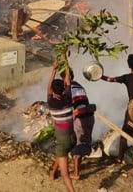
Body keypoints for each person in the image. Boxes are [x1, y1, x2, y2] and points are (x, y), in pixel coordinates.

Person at [60, 67, 95, 179]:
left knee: (77, 145)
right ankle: (77, 167)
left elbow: (69, 107)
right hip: (90, 117)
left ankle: (76, 174)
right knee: (84, 142)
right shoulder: (80, 86)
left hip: (80, 119)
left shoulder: (68, 89)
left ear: (65, 78)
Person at [47, 60, 76, 192]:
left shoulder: (51, 102)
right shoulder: (68, 98)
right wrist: (66, 64)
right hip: (72, 138)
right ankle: (52, 174)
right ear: (64, 89)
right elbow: (68, 80)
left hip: (62, 139)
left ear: (53, 90)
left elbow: (48, 89)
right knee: (62, 154)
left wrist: (54, 69)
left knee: (65, 175)